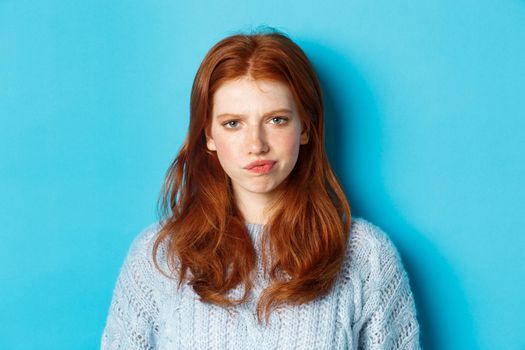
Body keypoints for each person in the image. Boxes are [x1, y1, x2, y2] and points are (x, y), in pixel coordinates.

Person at [101, 28, 420, 349]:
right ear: (208, 135)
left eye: (276, 119)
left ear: (305, 127)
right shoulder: (158, 258)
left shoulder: (366, 255)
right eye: (233, 123)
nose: (256, 145)